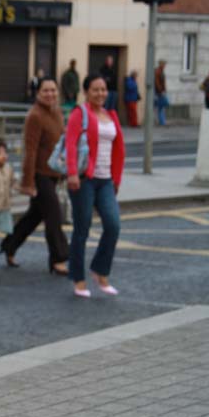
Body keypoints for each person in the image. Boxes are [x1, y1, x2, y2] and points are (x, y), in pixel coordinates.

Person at [0, 76, 68, 273]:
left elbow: (59, 144)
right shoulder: (35, 116)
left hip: (53, 173)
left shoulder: (56, 112)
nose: (50, 94)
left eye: (53, 90)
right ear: (38, 93)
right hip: (40, 175)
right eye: (46, 90)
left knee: (34, 217)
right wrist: (28, 182)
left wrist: (63, 170)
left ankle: (9, 246)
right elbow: (30, 150)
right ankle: (58, 258)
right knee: (54, 216)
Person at [66, 73, 125, 298]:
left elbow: (118, 148)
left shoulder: (111, 115)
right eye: (95, 90)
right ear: (86, 92)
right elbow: (71, 144)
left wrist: (116, 179)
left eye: (103, 89)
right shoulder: (80, 114)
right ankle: (78, 280)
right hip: (84, 179)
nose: (101, 93)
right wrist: (72, 173)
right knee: (82, 229)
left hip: (106, 179)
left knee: (113, 225)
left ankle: (100, 271)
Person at [154, 59, 168, 125]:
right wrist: (161, 91)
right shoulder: (158, 71)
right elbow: (157, 83)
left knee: (161, 107)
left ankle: (162, 121)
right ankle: (161, 121)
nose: (165, 66)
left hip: (161, 92)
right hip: (159, 92)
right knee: (160, 107)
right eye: (164, 64)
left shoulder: (161, 71)